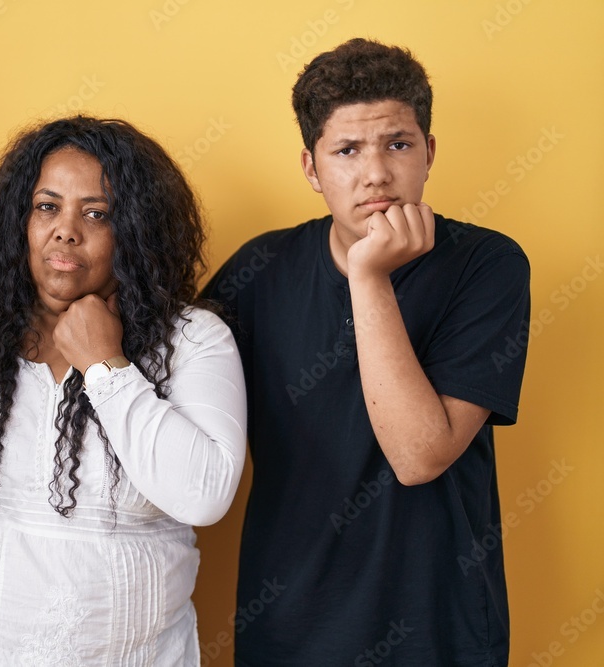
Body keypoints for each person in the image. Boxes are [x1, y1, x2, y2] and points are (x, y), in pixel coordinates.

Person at [202, 39, 530, 665]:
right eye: (347, 150)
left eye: (398, 144)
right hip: (289, 627)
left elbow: (419, 455)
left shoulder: (488, 265)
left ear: (429, 152)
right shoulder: (257, 271)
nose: (376, 172)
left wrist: (369, 278)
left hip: (440, 627)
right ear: (311, 167)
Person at [0, 116, 247, 665]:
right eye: (47, 206)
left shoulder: (192, 341)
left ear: (137, 230)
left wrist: (106, 365)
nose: (66, 230)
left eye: (97, 213)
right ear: (19, 219)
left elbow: (205, 494)